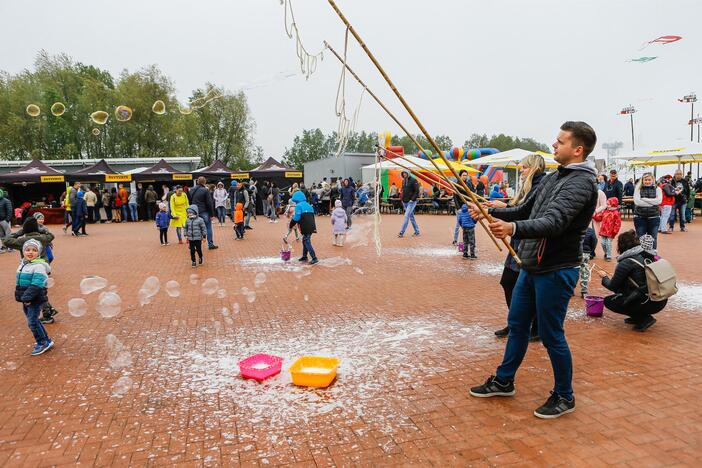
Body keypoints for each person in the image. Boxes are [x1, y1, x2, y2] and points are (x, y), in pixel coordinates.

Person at [468, 121, 598, 420]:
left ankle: (565, 396)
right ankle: (504, 379)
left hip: (556, 268)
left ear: (578, 150)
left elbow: (554, 222)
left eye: (560, 141)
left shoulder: (581, 183)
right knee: (517, 325)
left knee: (552, 335)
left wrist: (512, 228)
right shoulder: (556, 177)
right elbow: (527, 210)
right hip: (531, 265)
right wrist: (491, 212)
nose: (554, 145)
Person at [492, 153, 546, 339]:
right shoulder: (529, 186)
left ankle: (533, 325)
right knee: (509, 282)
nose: (521, 171)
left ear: (533, 168)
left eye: (523, 168)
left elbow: (524, 211)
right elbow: (518, 207)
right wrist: (502, 206)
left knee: (525, 285)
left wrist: (496, 209)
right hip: (520, 239)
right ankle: (516, 322)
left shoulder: (540, 185)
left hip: (529, 241)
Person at [597, 230, 666, 331]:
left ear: (622, 245)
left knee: (609, 301)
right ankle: (637, 316)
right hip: (661, 298)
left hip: (648, 302)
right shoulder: (649, 254)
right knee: (627, 292)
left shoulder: (626, 262)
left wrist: (604, 277)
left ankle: (644, 318)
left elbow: (612, 286)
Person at [15, 239, 54, 356]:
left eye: (34, 250)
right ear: (23, 251)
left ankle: (42, 342)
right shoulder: (24, 263)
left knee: (32, 322)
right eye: (27, 250)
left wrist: (27, 298)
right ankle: (47, 340)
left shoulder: (39, 266)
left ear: (39, 252)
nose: (30, 252)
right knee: (34, 321)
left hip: (33, 299)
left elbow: (36, 285)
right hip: (26, 298)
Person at [633, 172, 662, 249]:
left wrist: (644, 199)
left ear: (653, 180)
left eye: (649, 180)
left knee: (653, 238)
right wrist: (653, 202)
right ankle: (641, 255)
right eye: (645, 180)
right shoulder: (638, 189)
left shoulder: (658, 189)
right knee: (640, 238)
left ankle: (653, 255)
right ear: (642, 180)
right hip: (640, 217)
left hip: (654, 217)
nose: (647, 181)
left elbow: (659, 201)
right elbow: (637, 202)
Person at [189, 177, 218, 249]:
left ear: (198, 181)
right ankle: (210, 244)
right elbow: (209, 203)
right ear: (204, 182)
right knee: (208, 227)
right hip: (204, 211)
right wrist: (212, 214)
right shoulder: (205, 190)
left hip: (194, 211)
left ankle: (194, 245)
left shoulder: (191, 190)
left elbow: (189, 201)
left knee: (195, 228)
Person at [290, 190, 318, 265]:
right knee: (305, 240)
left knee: (306, 241)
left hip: (306, 226)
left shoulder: (299, 206)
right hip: (311, 226)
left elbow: (296, 218)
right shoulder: (308, 205)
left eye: (295, 201)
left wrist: (291, 224)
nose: (295, 203)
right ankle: (304, 256)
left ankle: (314, 258)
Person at [398, 171, 420, 238]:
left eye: (405, 173)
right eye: (403, 173)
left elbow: (417, 191)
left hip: (411, 202)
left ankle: (401, 232)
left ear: (408, 173)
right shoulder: (403, 181)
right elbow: (404, 190)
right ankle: (417, 231)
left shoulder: (413, 180)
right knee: (411, 217)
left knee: (406, 216)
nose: (404, 174)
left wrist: (412, 199)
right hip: (405, 201)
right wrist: (401, 192)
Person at [579, 226, 597, 298]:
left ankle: (571, 289)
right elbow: (594, 241)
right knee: (584, 272)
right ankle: (584, 291)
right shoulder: (590, 230)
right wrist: (591, 251)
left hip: (574, 253)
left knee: (574, 270)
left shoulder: (574, 228)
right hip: (585, 252)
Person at [0, 189, 13, 253]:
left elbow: (9, 211)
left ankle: (10, 247)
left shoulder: (6, 201)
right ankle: (4, 246)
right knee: (2, 235)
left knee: (8, 234)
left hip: (4, 220)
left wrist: (7, 220)